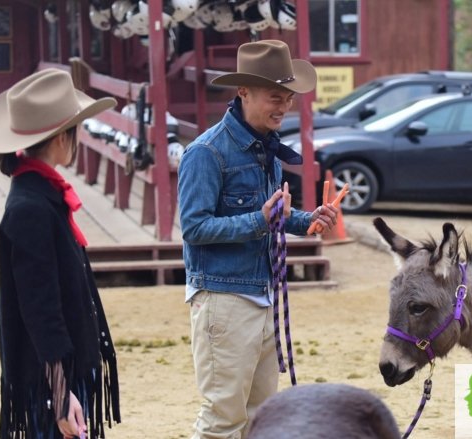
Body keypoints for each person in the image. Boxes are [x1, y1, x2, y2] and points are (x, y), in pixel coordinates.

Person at [178, 39, 339, 439]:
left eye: (287, 98)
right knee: (223, 421)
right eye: (274, 97)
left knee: (262, 419)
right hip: (222, 299)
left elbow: (272, 214)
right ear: (243, 92)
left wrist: (308, 220)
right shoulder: (206, 153)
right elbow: (194, 229)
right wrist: (259, 220)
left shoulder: (261, 147)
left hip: (260, 297)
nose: (283, 107)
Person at [0, 69, 121, 439]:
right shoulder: (30, 209)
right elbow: (40, 309)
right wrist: (59, 393)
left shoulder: (41, 196)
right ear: (61, 138)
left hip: (60, 372)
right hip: (51, 380)